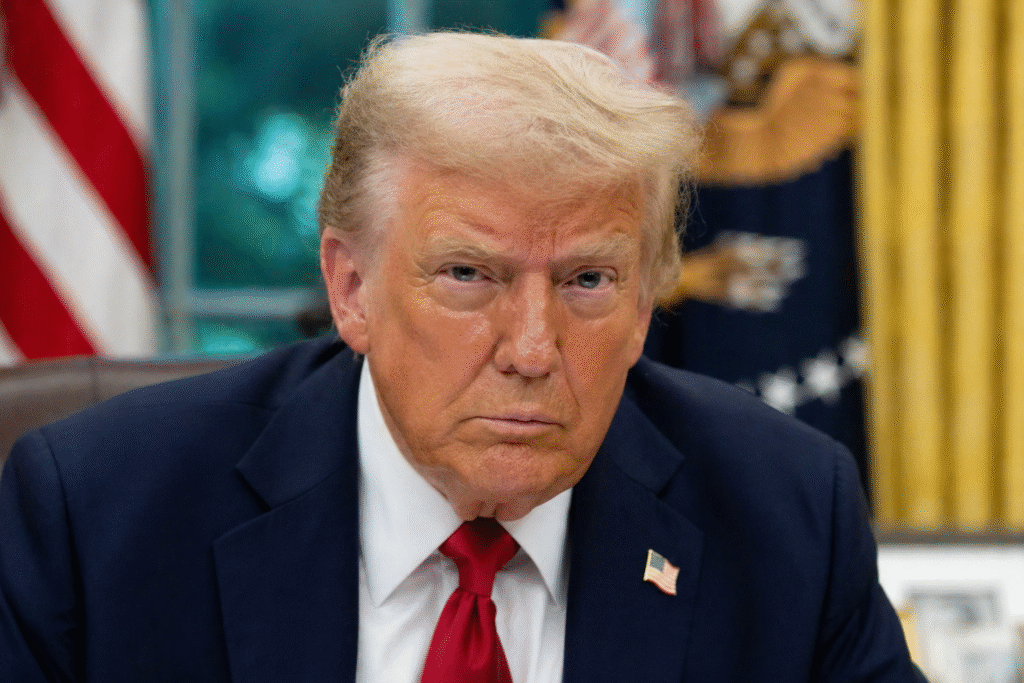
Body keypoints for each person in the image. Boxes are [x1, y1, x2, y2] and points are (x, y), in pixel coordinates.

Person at [0, 32, 922, 682]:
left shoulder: (786, 515)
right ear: (351, 288)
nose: (531, 349)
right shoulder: (99, 514)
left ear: (646, 306)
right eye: (470, 274)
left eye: (589, 281)